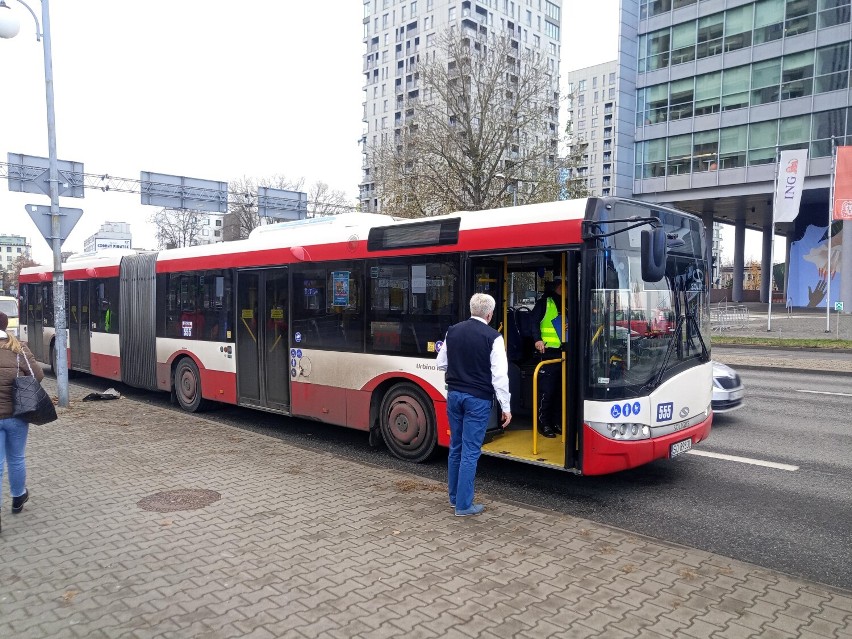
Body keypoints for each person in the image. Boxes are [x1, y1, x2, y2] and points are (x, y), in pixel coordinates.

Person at [436, 293, 511, 517]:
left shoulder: (453, 331)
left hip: (455, 396)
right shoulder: (494, 337)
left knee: (456, 447)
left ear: (472, 310)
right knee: (471, 451)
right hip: (477, 399)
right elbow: (500, 376)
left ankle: (453, 498)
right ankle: (464, 505)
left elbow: (441, 363)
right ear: (490, 314)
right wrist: (505, 407)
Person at [0, 311, 43, 533]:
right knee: (16, 458)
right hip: (17, 413)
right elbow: (38, 375)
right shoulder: (18, 348)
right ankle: (18, 497)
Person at [530, 277, 566, 438]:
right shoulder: (545, 303)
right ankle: (543, 423)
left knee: (561, 390)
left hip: (564, 352)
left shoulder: (567, 302)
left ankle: (556, 422)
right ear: (559, 287)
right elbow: (533, 322)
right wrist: (537, 339)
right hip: (548, 353)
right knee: (547, 391)